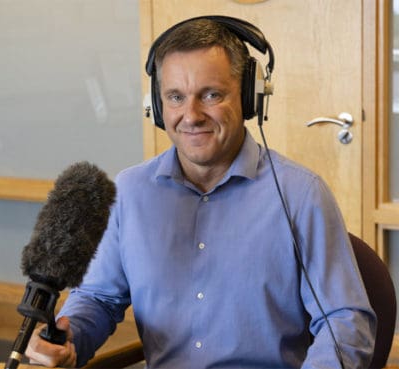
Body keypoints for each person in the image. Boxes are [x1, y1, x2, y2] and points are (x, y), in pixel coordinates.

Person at [25, 16, 375, 368]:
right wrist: (71, 338)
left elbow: (344, 321)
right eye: (175, 97)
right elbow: (98, 298)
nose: (190, 116)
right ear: (158, 107)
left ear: (249, 97)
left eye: (211, 95)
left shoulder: (301, 194)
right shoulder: (131, 192)